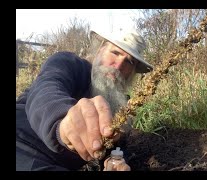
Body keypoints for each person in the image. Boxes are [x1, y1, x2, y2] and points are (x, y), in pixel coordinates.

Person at [16, 28, 153, 171]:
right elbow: (46, 88)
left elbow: (114, 145)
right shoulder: (69, 64)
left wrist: (112, 161)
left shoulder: (120, 104)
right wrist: (62, 121)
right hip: (22, 145)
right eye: (115, 53)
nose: (118, 66)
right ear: (100, 50)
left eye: (129, 62)